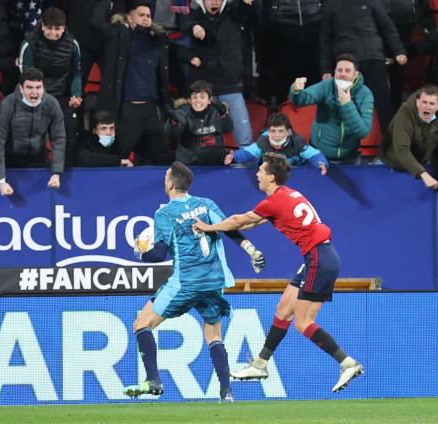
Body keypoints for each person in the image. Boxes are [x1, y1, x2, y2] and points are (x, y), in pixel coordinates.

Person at [193, 152, 364, 393]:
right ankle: (260, 364)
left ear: (271, 177)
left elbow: (240, 220)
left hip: (318, 258)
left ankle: (347, 363)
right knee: (283, 310)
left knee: (303, 323)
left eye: (261, 171)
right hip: (318, 256)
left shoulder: (274, 200)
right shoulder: (286, 195)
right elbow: (251, 222)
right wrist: (229, 226)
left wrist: (209, 227)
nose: (257, 174)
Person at [123, 161, 266, 402]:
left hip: (186, 281)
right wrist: (251, 249)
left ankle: (153, 381)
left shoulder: (164, 213)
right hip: (213, 280)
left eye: (166, 176)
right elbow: (230, 228)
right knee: (214, 335)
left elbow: (158, 255)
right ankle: (226, 392)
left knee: (141, 324)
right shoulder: (205, 204)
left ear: (170, 183)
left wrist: (139, 252)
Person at [91, 0, 174, 165]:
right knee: (120, 157)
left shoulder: (158, 41)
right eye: (141, 15)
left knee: (164, 156)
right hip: (128, 110)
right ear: (129, 18)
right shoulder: (118, 36)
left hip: (152, 110)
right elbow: (96, 22)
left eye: (149, 16)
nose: (146, 19)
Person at [319, 0, 406, 132]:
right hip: (346, 62)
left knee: (382, 103)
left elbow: (388, 28)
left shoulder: (373, 2)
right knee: (347, 103)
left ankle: (386, 142)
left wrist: (398, 51)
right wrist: (325, 69)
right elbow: (325, 39)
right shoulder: (331, 5)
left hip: (373, 58)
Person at [177, 0, 254, 147]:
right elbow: (185, 26)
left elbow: (245, 13)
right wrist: (195, 28)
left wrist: (246, 3)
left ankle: (246, 167)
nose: (215, 2)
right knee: (198, 139)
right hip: (204, 88)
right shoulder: (195, 15)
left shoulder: (233, 13)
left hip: (230, 84)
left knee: (245, 138)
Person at [19, 7, 82, 166]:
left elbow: (76, 73)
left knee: (68, 132)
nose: (53, 33)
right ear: (42, 26)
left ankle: (66, 170)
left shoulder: (72, 44)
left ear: (64, 28)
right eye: (49, 28)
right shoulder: (29, 44)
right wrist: (40, 98)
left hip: (62, 95)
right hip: (34, 96)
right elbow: (27, 78)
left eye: (57, 29)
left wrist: (76, 94)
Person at [0, 67, 65, 196]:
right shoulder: (8, 104)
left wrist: (56, 173)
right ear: (21, 88)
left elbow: (59, 138)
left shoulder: (52, 104)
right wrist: (1, 181)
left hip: (39, 160)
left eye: (38, 87)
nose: (34, 92)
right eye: (29, 87)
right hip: (11, 162)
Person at [289, 53, 374, 163]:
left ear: (356, 75)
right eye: (339, 70)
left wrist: (347, 104)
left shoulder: (365, 94)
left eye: (347, 71)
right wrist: (296, 90)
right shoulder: (326, 86)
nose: (342, 74)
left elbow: (363, 132)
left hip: (350, 155)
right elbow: (302, 99)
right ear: (334, 72)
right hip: (320, 153)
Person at [227, 112, 328, 175]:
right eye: (273, 131)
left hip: (295, 178)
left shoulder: (297, 142)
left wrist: (321, 163)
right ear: (268, 131)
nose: (276, 135)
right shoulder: (263, 142)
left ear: (288, 132)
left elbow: (315, 155)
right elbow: (246, 153)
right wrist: (233, 157)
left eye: (281, 131)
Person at [380, 85, 438, 190]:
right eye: (424, 102)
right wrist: (423, 174)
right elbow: (402, 149)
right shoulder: (405, 113)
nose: (427, 107)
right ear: (417, 102)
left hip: (425, 161)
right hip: (396, 163)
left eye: (432, 104)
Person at [166, 79, 233, 165]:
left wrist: (224, 115)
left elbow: (228, 128)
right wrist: (173, 122)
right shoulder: (182, 112)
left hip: (215, 163)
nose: (198, 100)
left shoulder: (217, 111)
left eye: (202, 97)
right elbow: (171, 134)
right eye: (194, 97)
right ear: (190, 100)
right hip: (189, 164)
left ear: (210, 100)